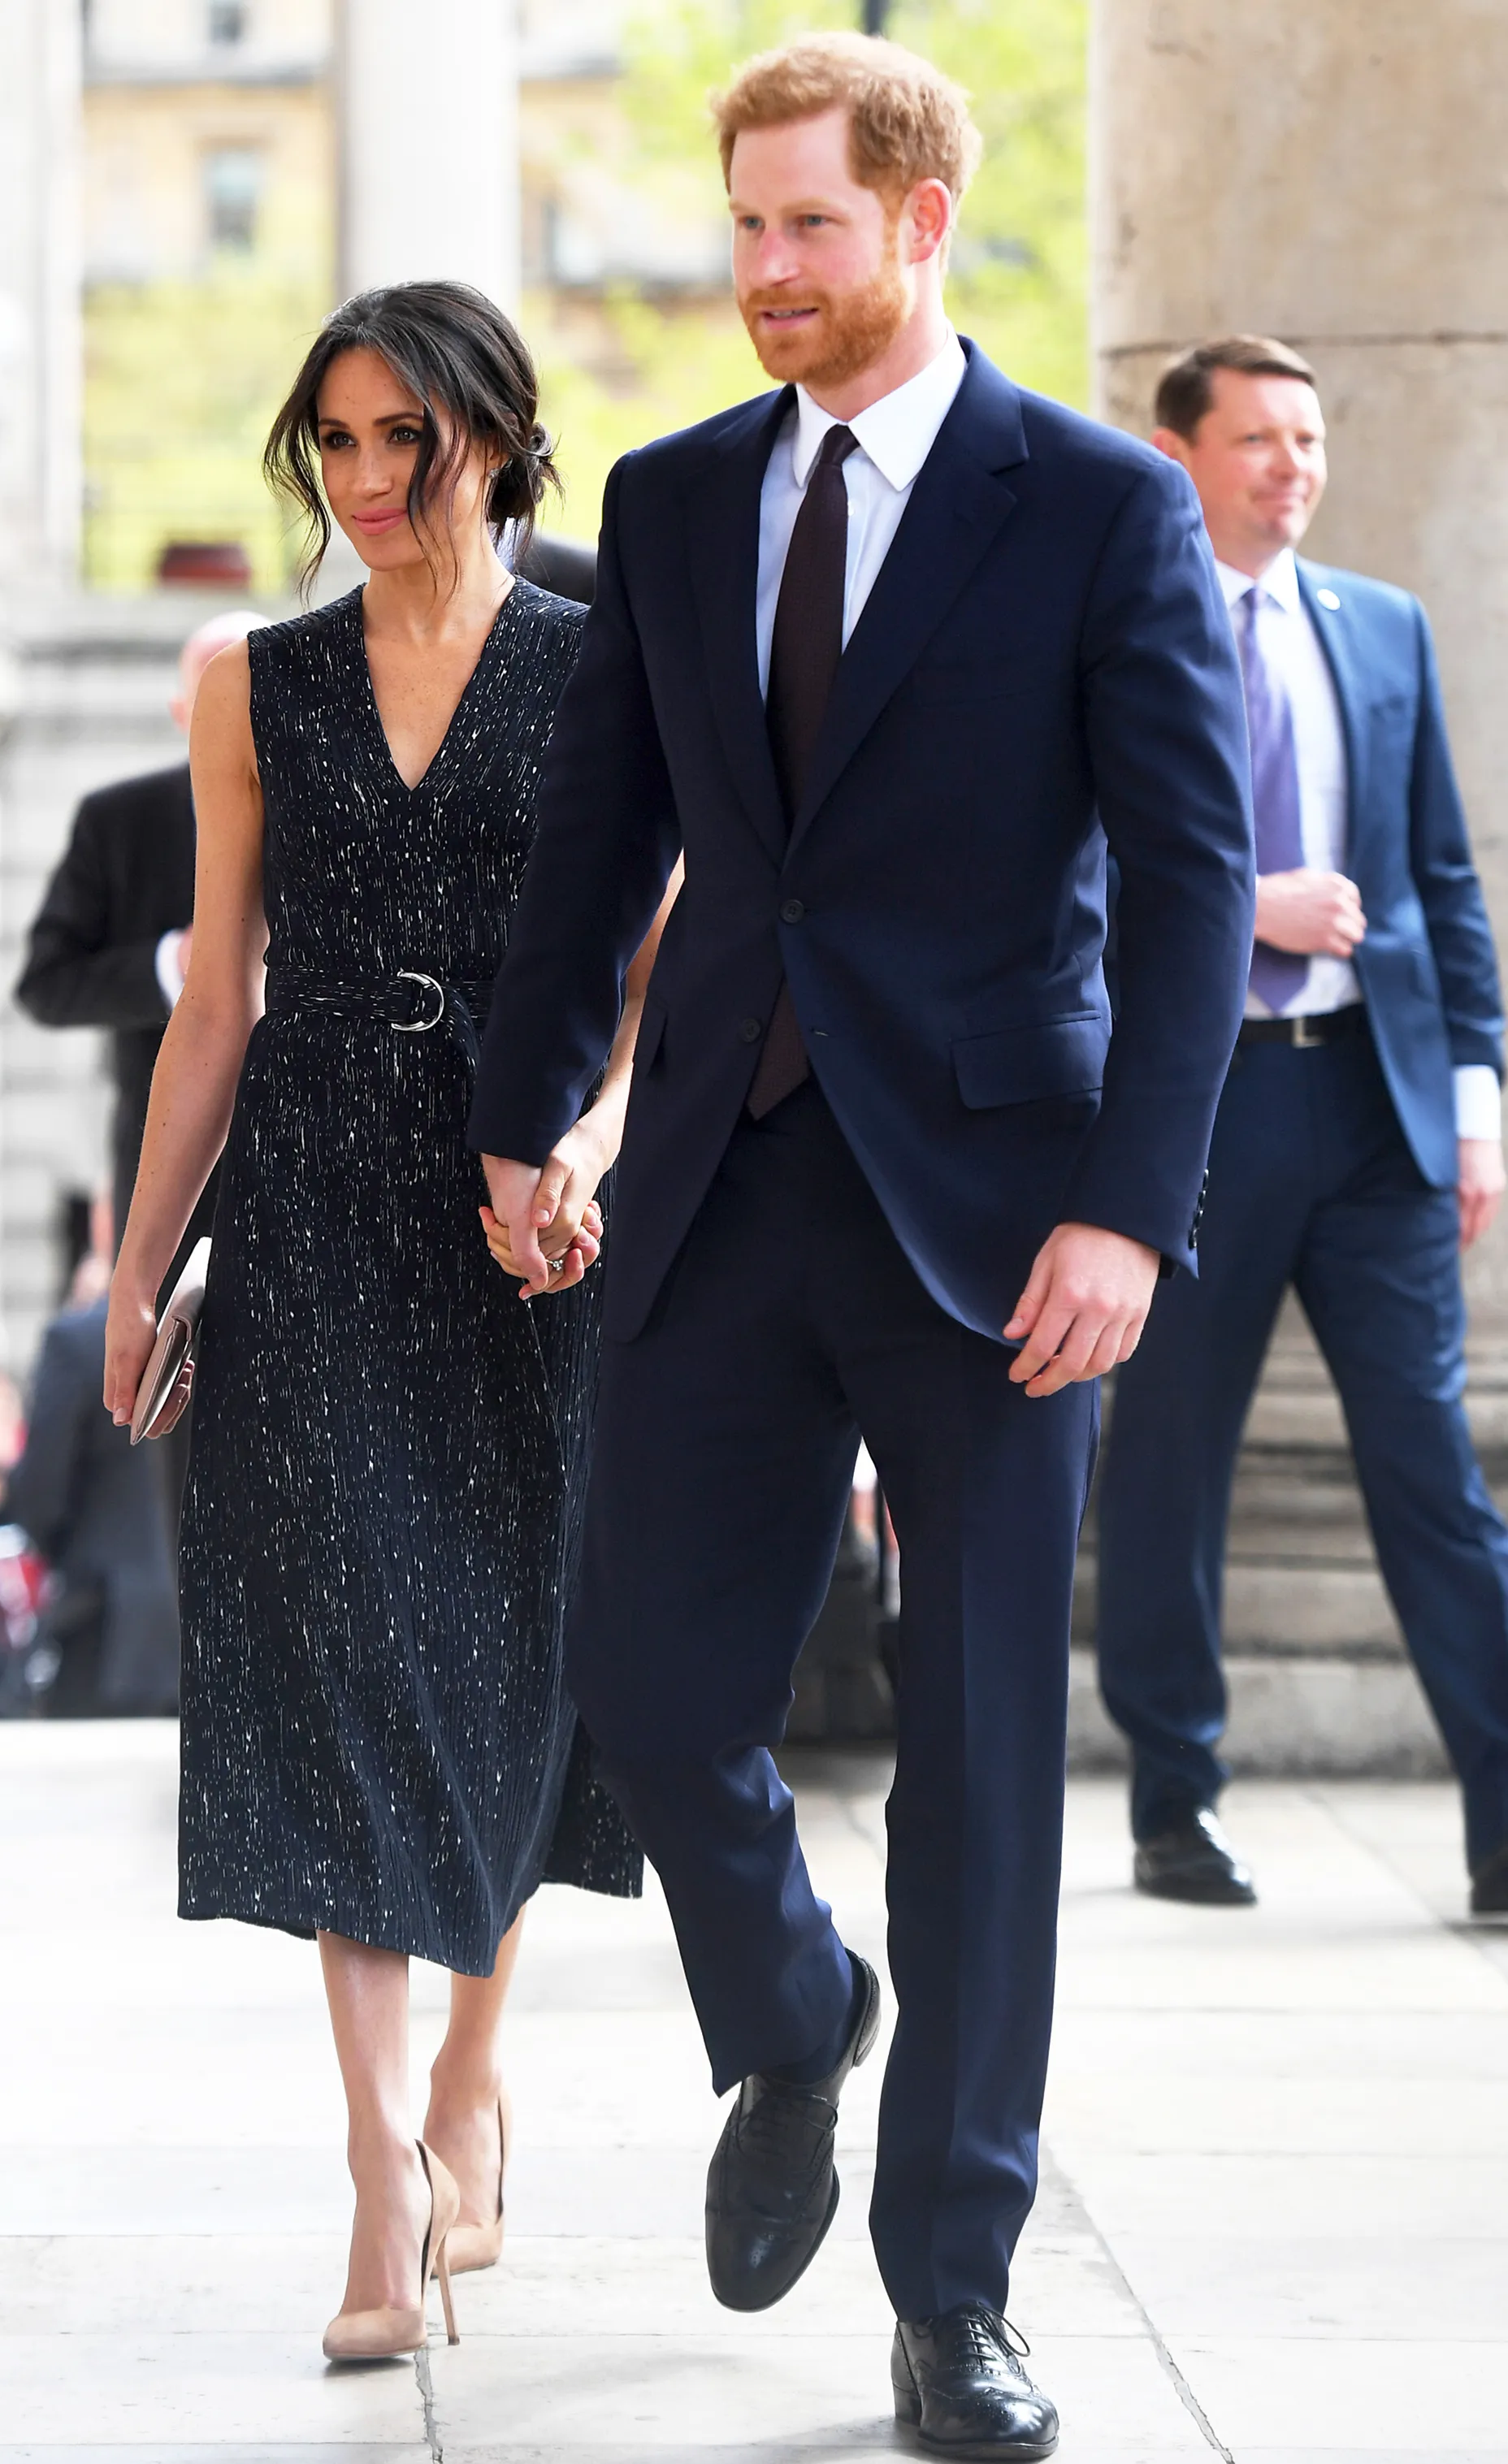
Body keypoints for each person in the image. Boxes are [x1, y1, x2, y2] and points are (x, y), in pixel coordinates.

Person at [470, 34, 1254, 2457]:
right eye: (745, 232)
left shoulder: (1100, 510)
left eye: (809, 229)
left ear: (922, 225)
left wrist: (1132, 1206)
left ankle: (955, 2293)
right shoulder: (681, 498)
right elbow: (605, 836)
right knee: (647, 1681)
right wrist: (522, 1121)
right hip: (717, 1184)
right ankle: (797, 2018)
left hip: (1008, 1221)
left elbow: (1201, 882)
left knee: (985, 1767)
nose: (764, 276)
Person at [102, 280, 656, 2361]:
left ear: (496, 439)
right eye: (329, 443)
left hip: (523, 1217)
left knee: (505, 1663)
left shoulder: (612, 677)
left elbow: (652, 997)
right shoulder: (250, 681)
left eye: (398, 442)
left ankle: (471, 2073)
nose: (361, 483)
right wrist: (144, 1264)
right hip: (318, 1207)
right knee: (345, 1670)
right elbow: (211, 1006)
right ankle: (374, 2169)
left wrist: (582, 1152)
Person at [1094, 335, 1508, 1921]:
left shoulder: (1380, 626)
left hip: (1374, 1109)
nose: (1291, 465)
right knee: (1170, 1464)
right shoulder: (1121, 630)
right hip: (1193, 1107)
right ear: (1176, 454)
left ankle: (1497, 1810)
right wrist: (1239, 901)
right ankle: (1173, 1798)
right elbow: (1060, 866)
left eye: (1308, 439)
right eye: (1258, 437)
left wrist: (1472, 1104)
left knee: (1430, 1468)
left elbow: (1439, 884)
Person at [15, 610, 263, 1249]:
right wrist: (169, 966)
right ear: (183, 714)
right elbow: (45, 983)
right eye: (216, 701)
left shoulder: (343, 816)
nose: (238, 718)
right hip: (166, 1187)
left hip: (317, 1168)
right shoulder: (116, 821)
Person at [7, 1291, 180, 1717]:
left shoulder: (78, 1338)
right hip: (218, 1624)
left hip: (107, 1624)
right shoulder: (232, 1327)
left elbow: (42, 1489)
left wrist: (55, 1548)